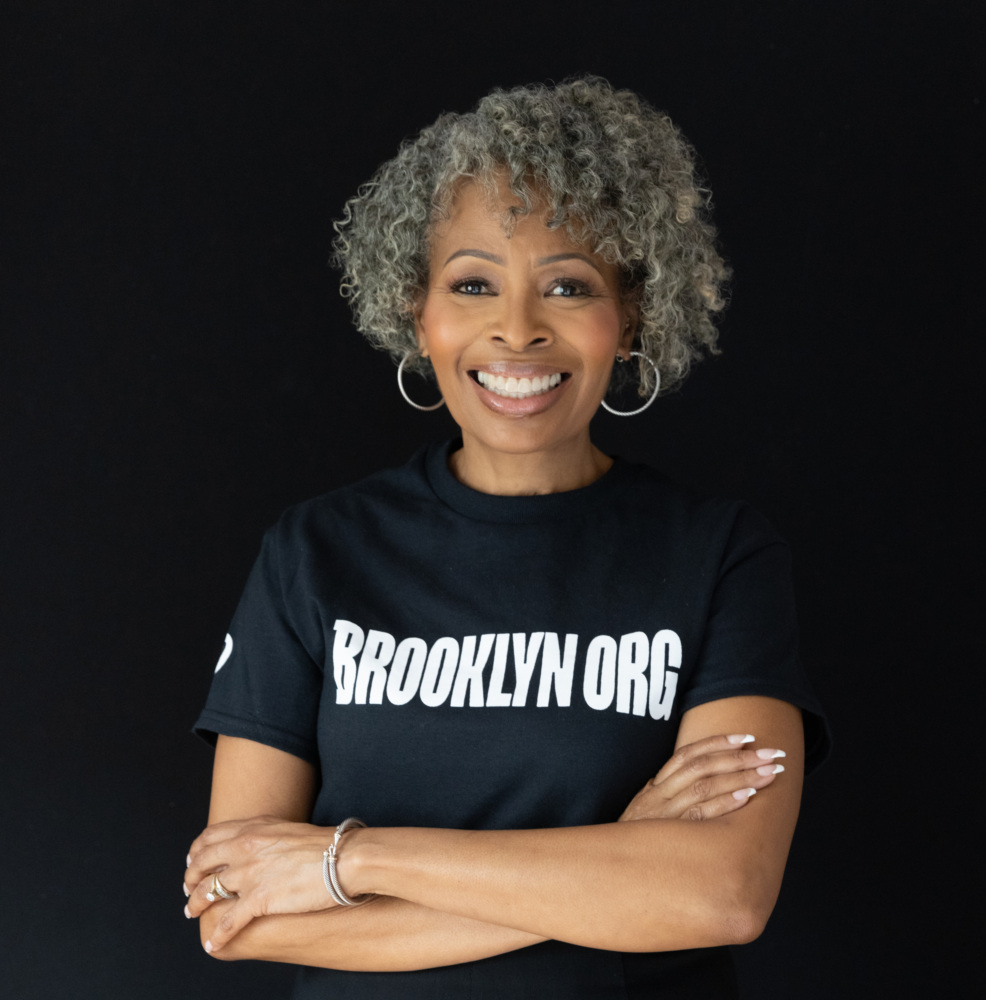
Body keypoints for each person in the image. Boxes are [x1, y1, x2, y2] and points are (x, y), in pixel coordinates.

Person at [184, 77, 829, 999]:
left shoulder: (720, 555)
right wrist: (622, 858)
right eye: (473, 282)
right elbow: (236, 910)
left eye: (569, 285)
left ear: (632, 316)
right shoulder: (315, 553)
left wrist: (349, 861)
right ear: (419, 312)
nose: (517, 330)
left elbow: (722, 894)